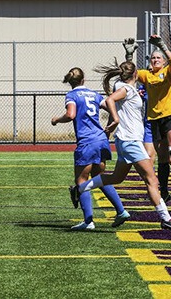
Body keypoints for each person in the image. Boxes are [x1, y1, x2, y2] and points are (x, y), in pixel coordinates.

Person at [69, 59, 171, 231]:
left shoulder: (123, 87)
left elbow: (116, 97)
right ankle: (166, 218)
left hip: (127, 141)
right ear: (135, 74)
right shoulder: (127, 89)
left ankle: (80, 188)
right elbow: (110, 100)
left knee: (116, 178)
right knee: (151, 179)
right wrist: (115, 120)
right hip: (131, 141)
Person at [51, 67, 130, 230]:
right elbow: (111, 107)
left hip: (87, 142)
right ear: (83, 80)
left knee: (81, 181)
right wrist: (110, 125)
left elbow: (71, 114)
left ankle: (88, 221)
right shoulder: (94, 94)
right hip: (101, 139)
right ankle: (121, 211)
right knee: (100, 177)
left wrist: (56, 120)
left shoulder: (72, 95)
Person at [123, 38, 171, 200]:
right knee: (162, 158)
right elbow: (129, 73)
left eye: (159, 58)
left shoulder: (168, 72)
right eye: (153, 58)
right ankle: (163, 192)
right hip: (154, 119)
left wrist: (161, 46)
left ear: (163, 62)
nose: (156, 60)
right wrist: (129, 55)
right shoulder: (147, 75)